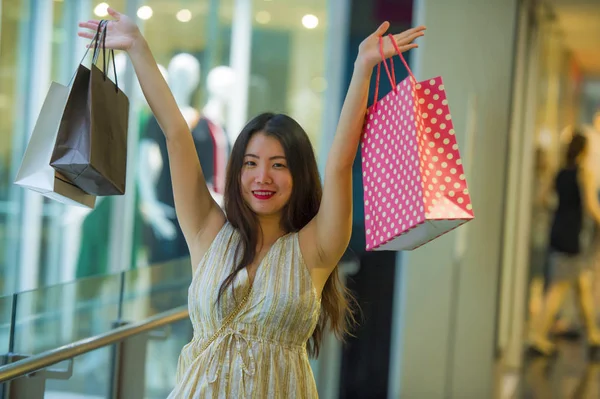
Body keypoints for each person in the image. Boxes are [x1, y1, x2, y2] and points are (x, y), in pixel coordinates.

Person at [78, 8, 425, 397]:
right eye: (251, 163)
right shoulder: (208, 233)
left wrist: (363, 67)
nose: (262, 177)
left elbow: (341, 163)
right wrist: (138, 47)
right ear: (237, 172)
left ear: (299, 174)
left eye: (278, 165)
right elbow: (176, 133)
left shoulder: (315, 249)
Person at [528, 131, 600, 358]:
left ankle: (593, 335)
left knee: (581, 286)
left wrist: (559, 211)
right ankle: (536, 336)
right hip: (573, 236)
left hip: (558, 231)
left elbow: (541, 199)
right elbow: (591, 205)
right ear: (584, 151)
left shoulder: (558, 172)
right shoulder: (583, 174)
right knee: (558, 289)